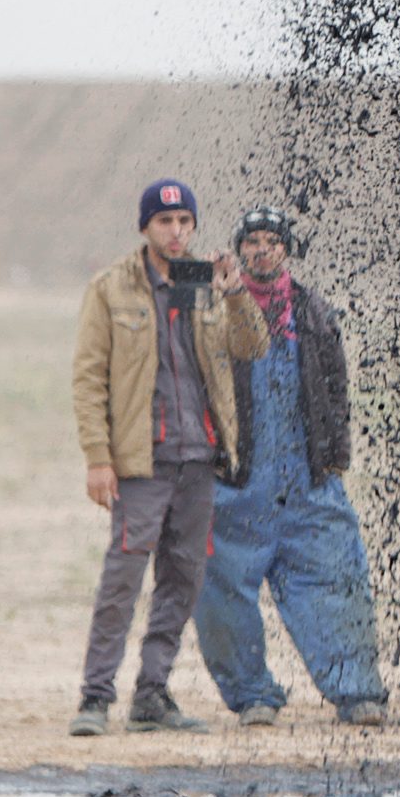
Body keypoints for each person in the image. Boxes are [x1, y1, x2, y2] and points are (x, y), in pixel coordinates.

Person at [70, 179, 266, 736]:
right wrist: (97, 457)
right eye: (165, 223)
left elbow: (252, 347)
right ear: (145, 228)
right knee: (122, 580)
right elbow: (88, 379)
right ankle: (94, 697)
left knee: (183, 578)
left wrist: (234, 293)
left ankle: (152, 695)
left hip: (198, 458)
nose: (177, 233)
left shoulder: (202, 282)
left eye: (185, 223)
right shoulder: (111, 289)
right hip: (141, 461)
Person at [193, 207, 388, 728]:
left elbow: (336, 391)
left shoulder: (315, 313)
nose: (262, 249)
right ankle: (252, 695)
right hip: (236, 482)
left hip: (307, 480)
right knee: (219, 587)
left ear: (287, 249)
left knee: (335, 577)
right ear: (238, 252)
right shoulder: (212, 311)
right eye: (251, 241)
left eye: (271, 241)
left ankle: (357, 692)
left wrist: (332, 457)